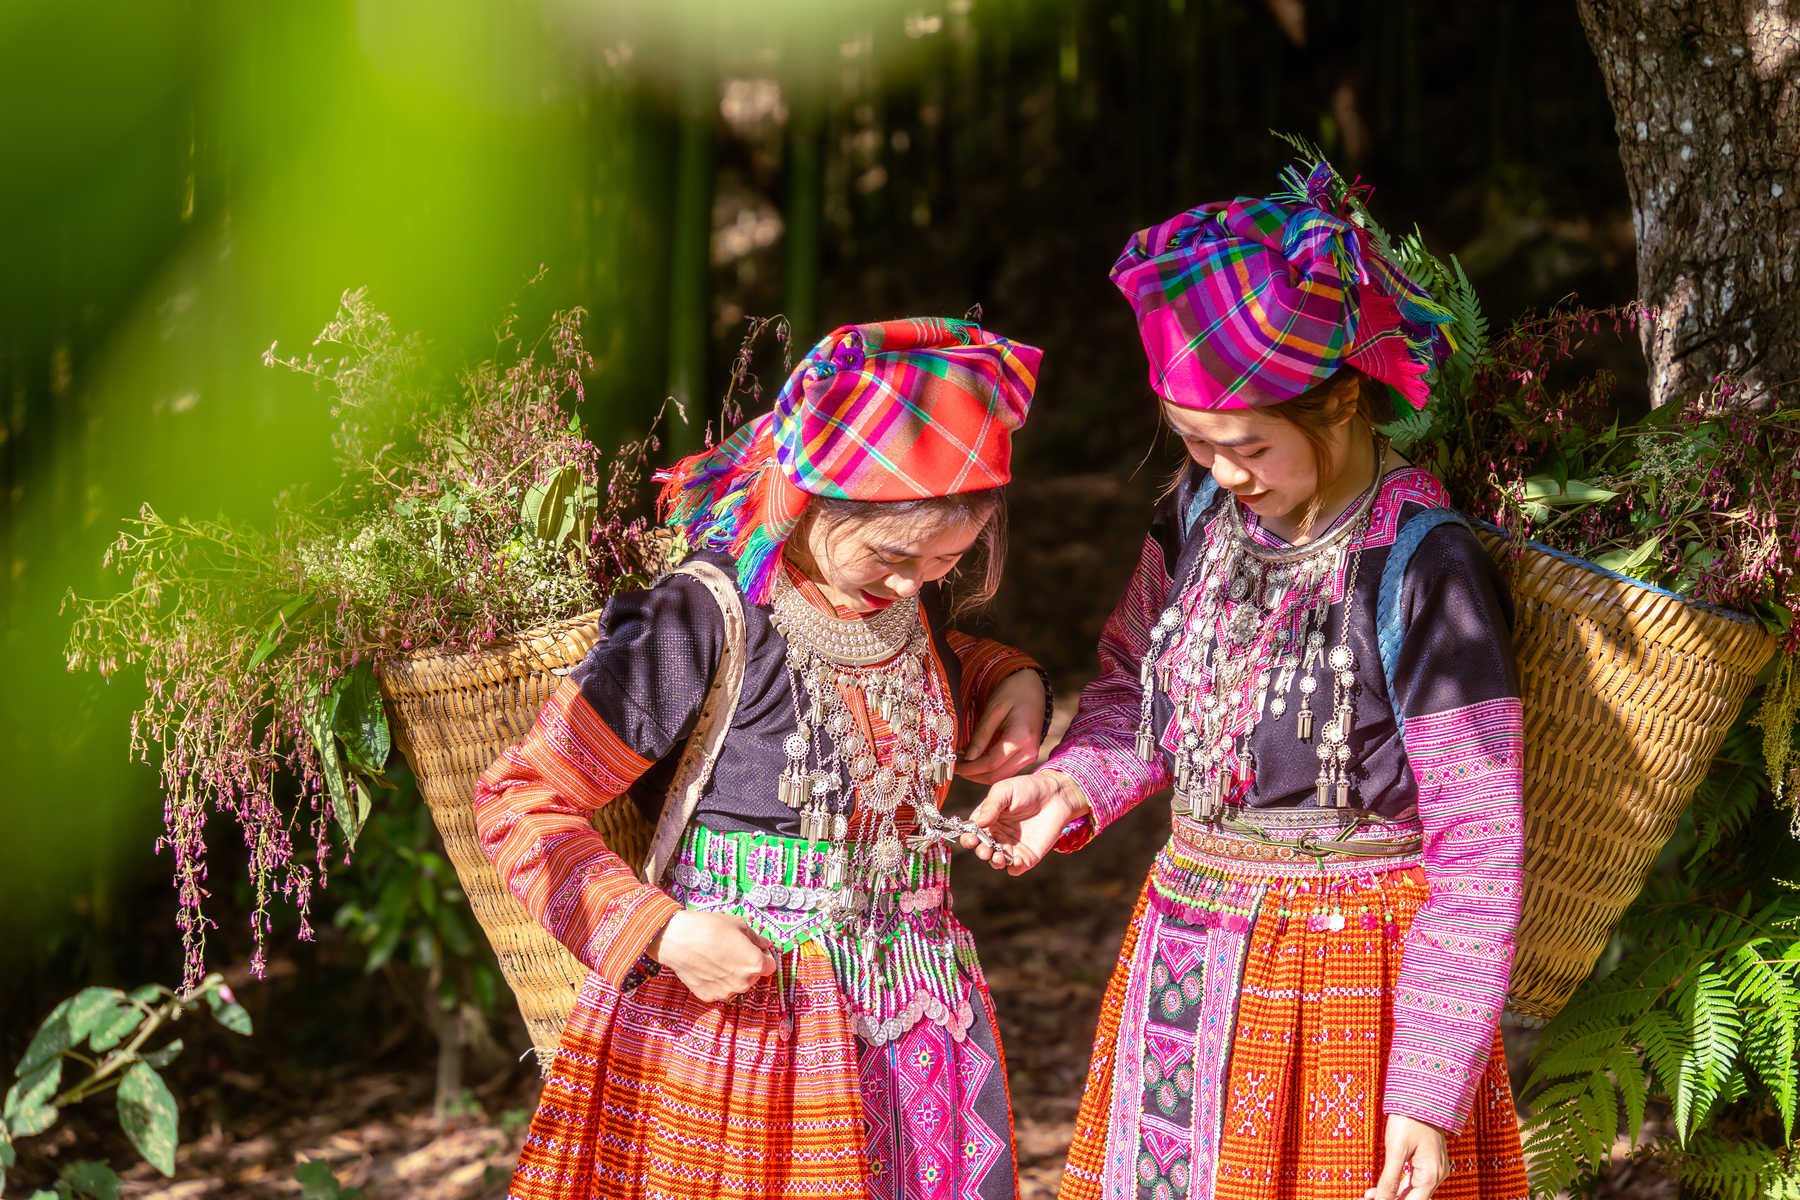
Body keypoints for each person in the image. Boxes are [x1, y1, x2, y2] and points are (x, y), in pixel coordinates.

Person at [966, 164, 1530, 1200]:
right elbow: (1135, 692)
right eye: (1193, 444)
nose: (1226, 472)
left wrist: (1427, 1089)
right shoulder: (1194, 520)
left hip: (1357, 989)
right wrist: (1070, 786)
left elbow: (1481, 844)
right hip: (1186, 963)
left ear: (1346, 399)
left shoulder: (1423, 568)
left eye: (1249, 444)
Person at [474, 316, 1051, 1200]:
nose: (913, 587)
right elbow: (519, 801)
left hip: (918, 1018)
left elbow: (929, 664)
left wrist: (1010, 682)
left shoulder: (902, 599)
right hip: (748, 1036)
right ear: (817, 499)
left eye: (947, 561)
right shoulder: (698, 620)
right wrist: (664, 932)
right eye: (897, 557)